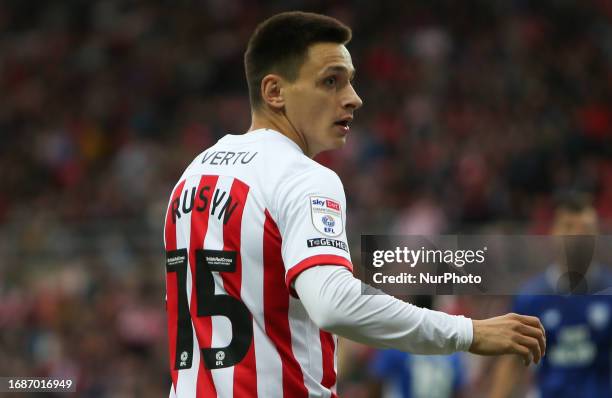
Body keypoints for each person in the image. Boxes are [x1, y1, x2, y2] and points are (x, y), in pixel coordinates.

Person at [163, 11, 546, 398]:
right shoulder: (302, 176)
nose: (353, 98)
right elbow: (333, 303)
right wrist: (469, 332)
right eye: (331, 81)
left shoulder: (192, 177)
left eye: (350, 82)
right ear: (274, 92)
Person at [490, 192, 612, 398]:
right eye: (569, 227)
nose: (578, 236)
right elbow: (511, 364)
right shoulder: (531, 297)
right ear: (553, 232)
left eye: (586, 229)